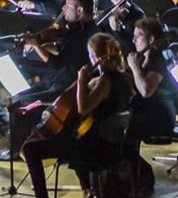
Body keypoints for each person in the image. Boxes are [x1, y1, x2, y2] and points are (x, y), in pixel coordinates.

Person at [19, 30, 133, 198]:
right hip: (112, 143)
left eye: (90, 55)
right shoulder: (124, 77)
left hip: (94, 148)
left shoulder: (104, 81)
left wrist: (80, 80)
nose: (89, 59)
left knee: (30, 148)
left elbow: (83, 108)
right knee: (74, 132)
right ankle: (86, 189)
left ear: (97, 56)